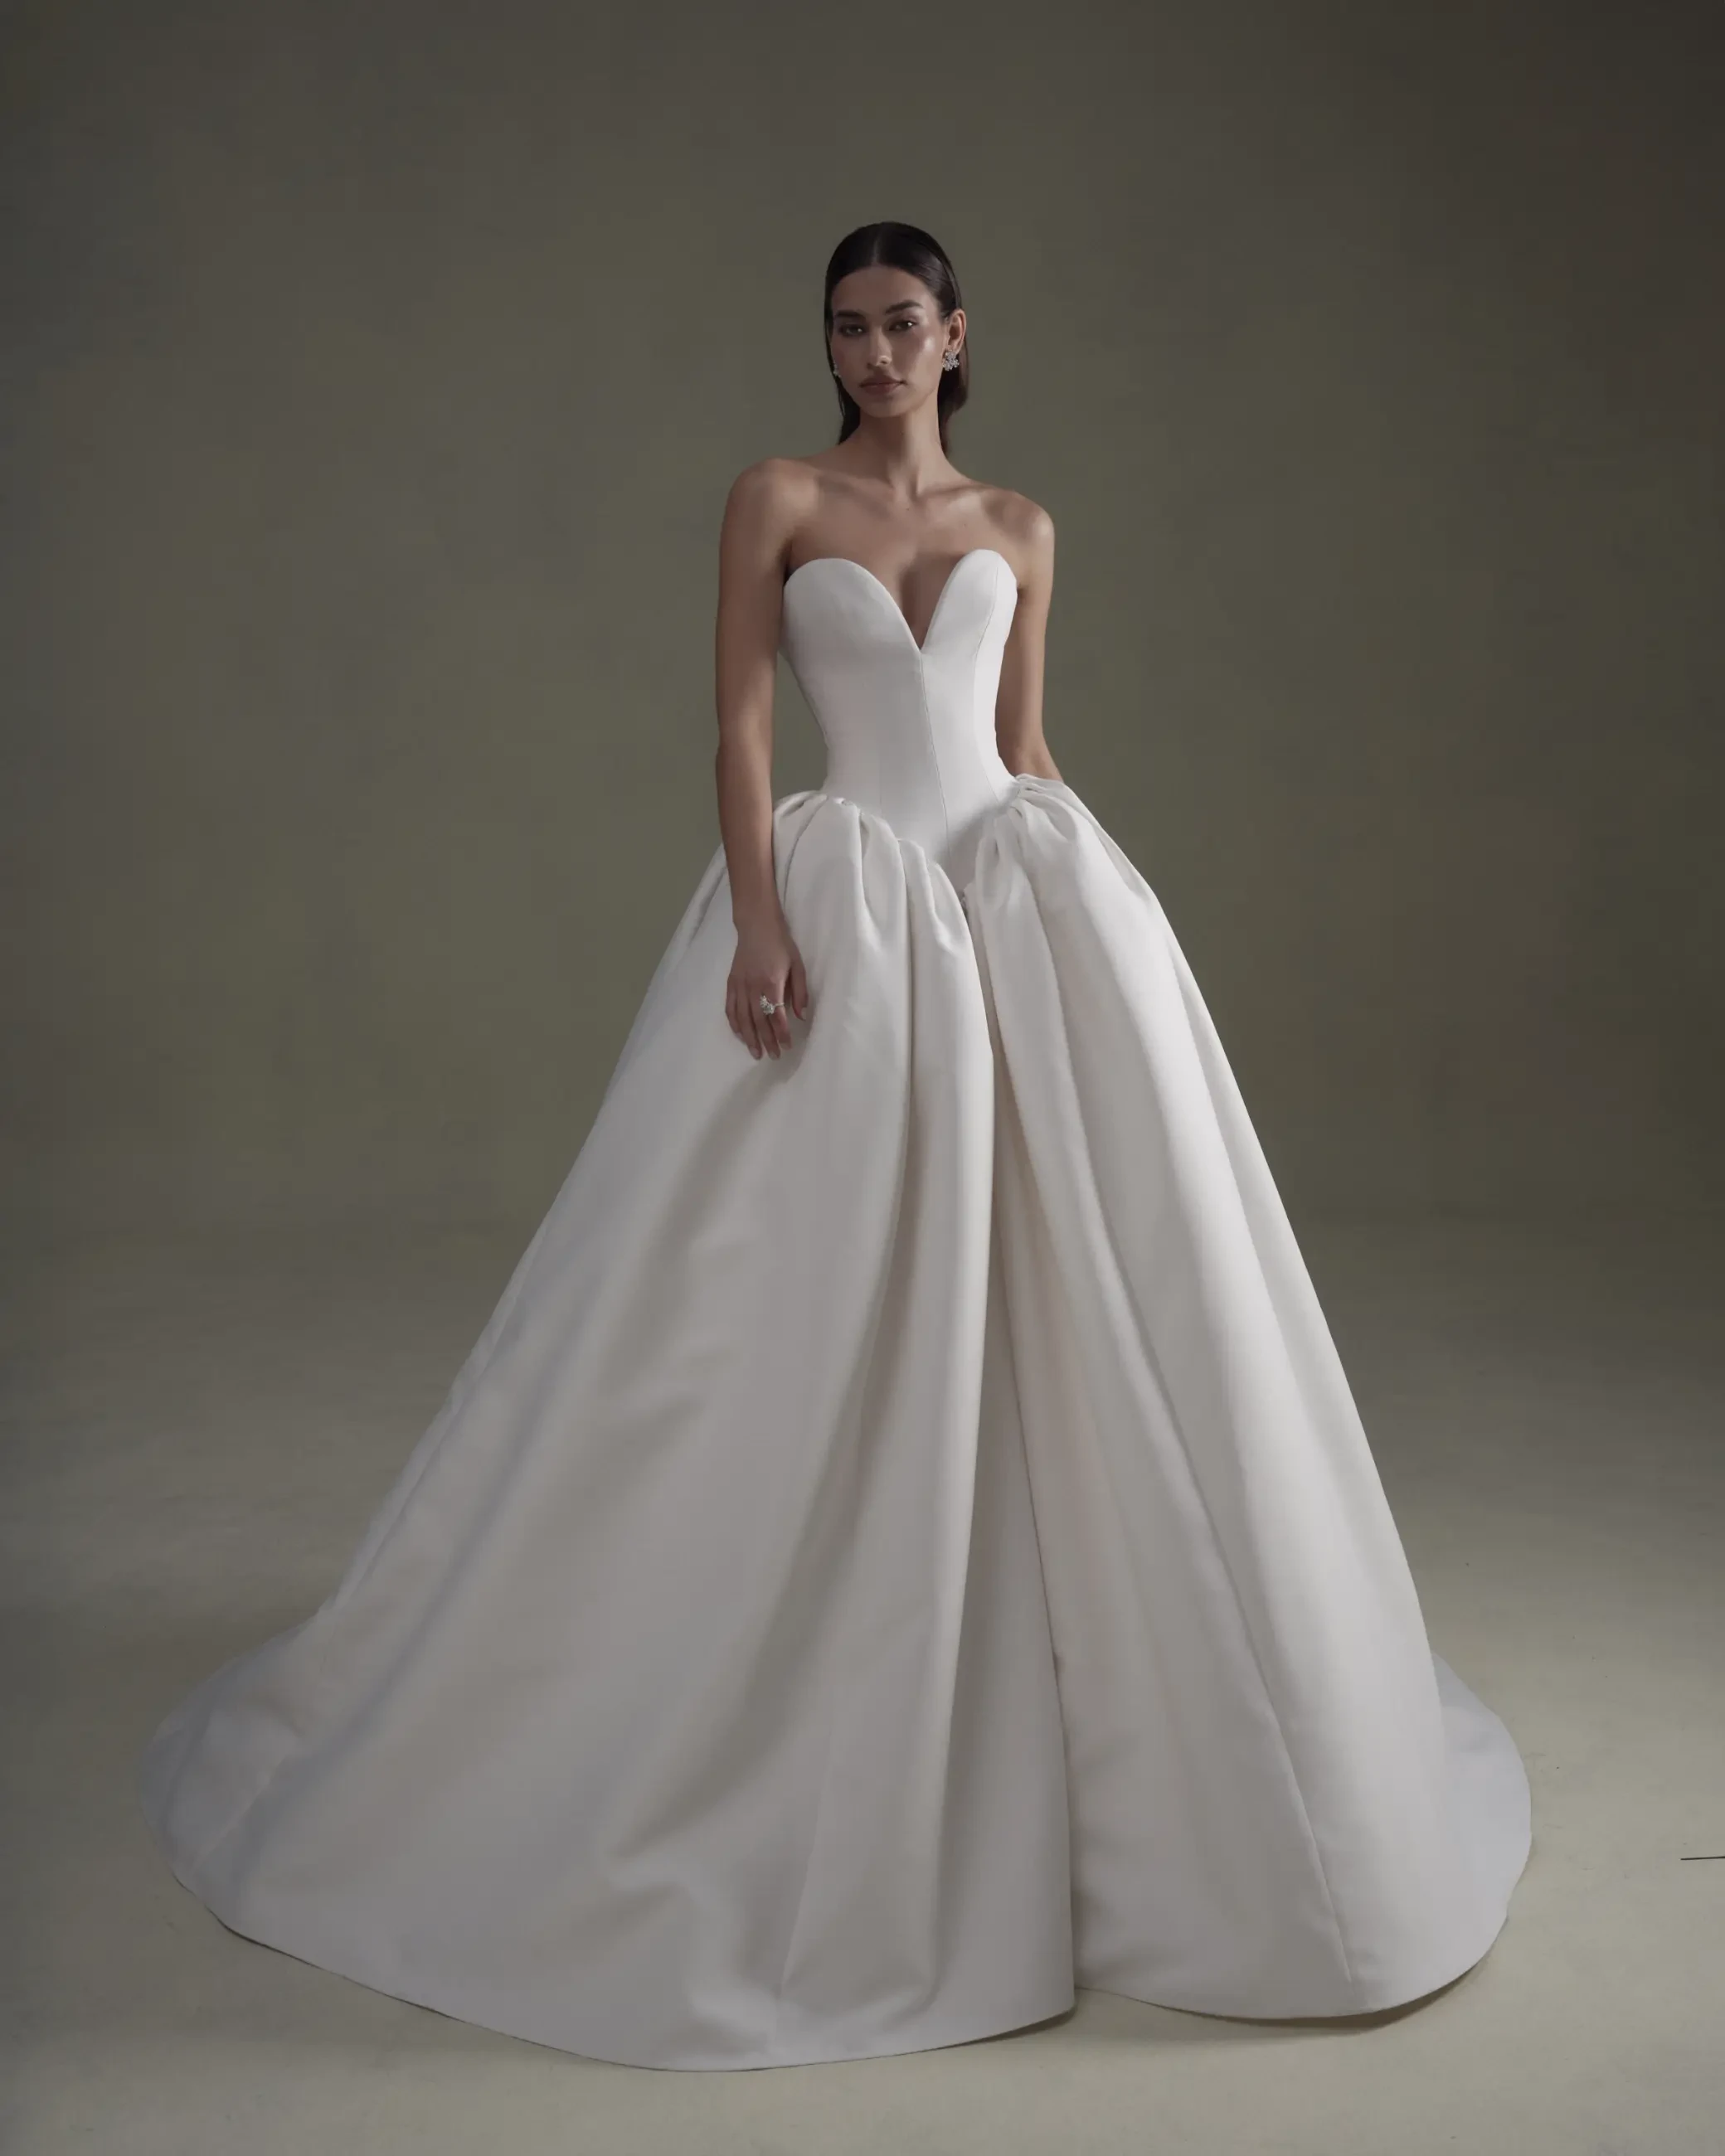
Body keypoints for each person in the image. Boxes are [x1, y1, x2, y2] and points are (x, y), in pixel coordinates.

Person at [138, 220, 1532, 2072]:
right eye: (844, 326)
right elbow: (732, 715)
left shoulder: (1022, 529)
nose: (872, 351)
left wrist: (1100, 919)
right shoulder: (771, 497)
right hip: (850, 920)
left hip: (1007, 912)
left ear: (958, 336)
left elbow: (1022, 743)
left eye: (901, 324)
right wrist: (762, 916)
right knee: (778, 1314)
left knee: (1091, 1299)